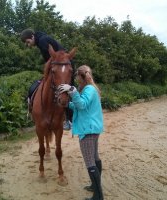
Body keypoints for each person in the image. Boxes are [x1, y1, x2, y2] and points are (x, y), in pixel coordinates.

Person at [58, 65, 104, 200]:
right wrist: (68, 105)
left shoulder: (89, 89)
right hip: (92, 128)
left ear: (80, 76)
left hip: (87, 130)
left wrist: (71, 90)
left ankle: (98, 196)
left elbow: (82, 104)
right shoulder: (91, 89)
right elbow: (81, 107)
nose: (75, 78)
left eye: (76, 76)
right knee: (95, 158)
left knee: (90, 162)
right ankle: (95, 187)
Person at [20, 29, 73, 130]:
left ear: (32, 37)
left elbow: (51, 60)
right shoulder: (41, 40)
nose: (28, 45)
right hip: (58, 66)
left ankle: (70, 119)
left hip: (63, 67)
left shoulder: (42, 41)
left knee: (67, 90)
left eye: (27, 42)